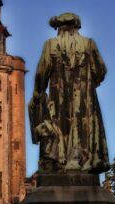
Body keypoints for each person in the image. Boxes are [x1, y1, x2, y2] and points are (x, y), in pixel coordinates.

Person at [29, 13, 110, 173]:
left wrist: (37, 94)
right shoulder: (88, 44)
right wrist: (90, 82)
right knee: (83, 126)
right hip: (85, 98)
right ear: (76, 27)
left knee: (60, 126)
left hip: (59, 98)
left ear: (59, 28)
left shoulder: (51, 44)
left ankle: (61, 161)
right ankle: (82, 160)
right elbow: (101, 70)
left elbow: (41, 72)